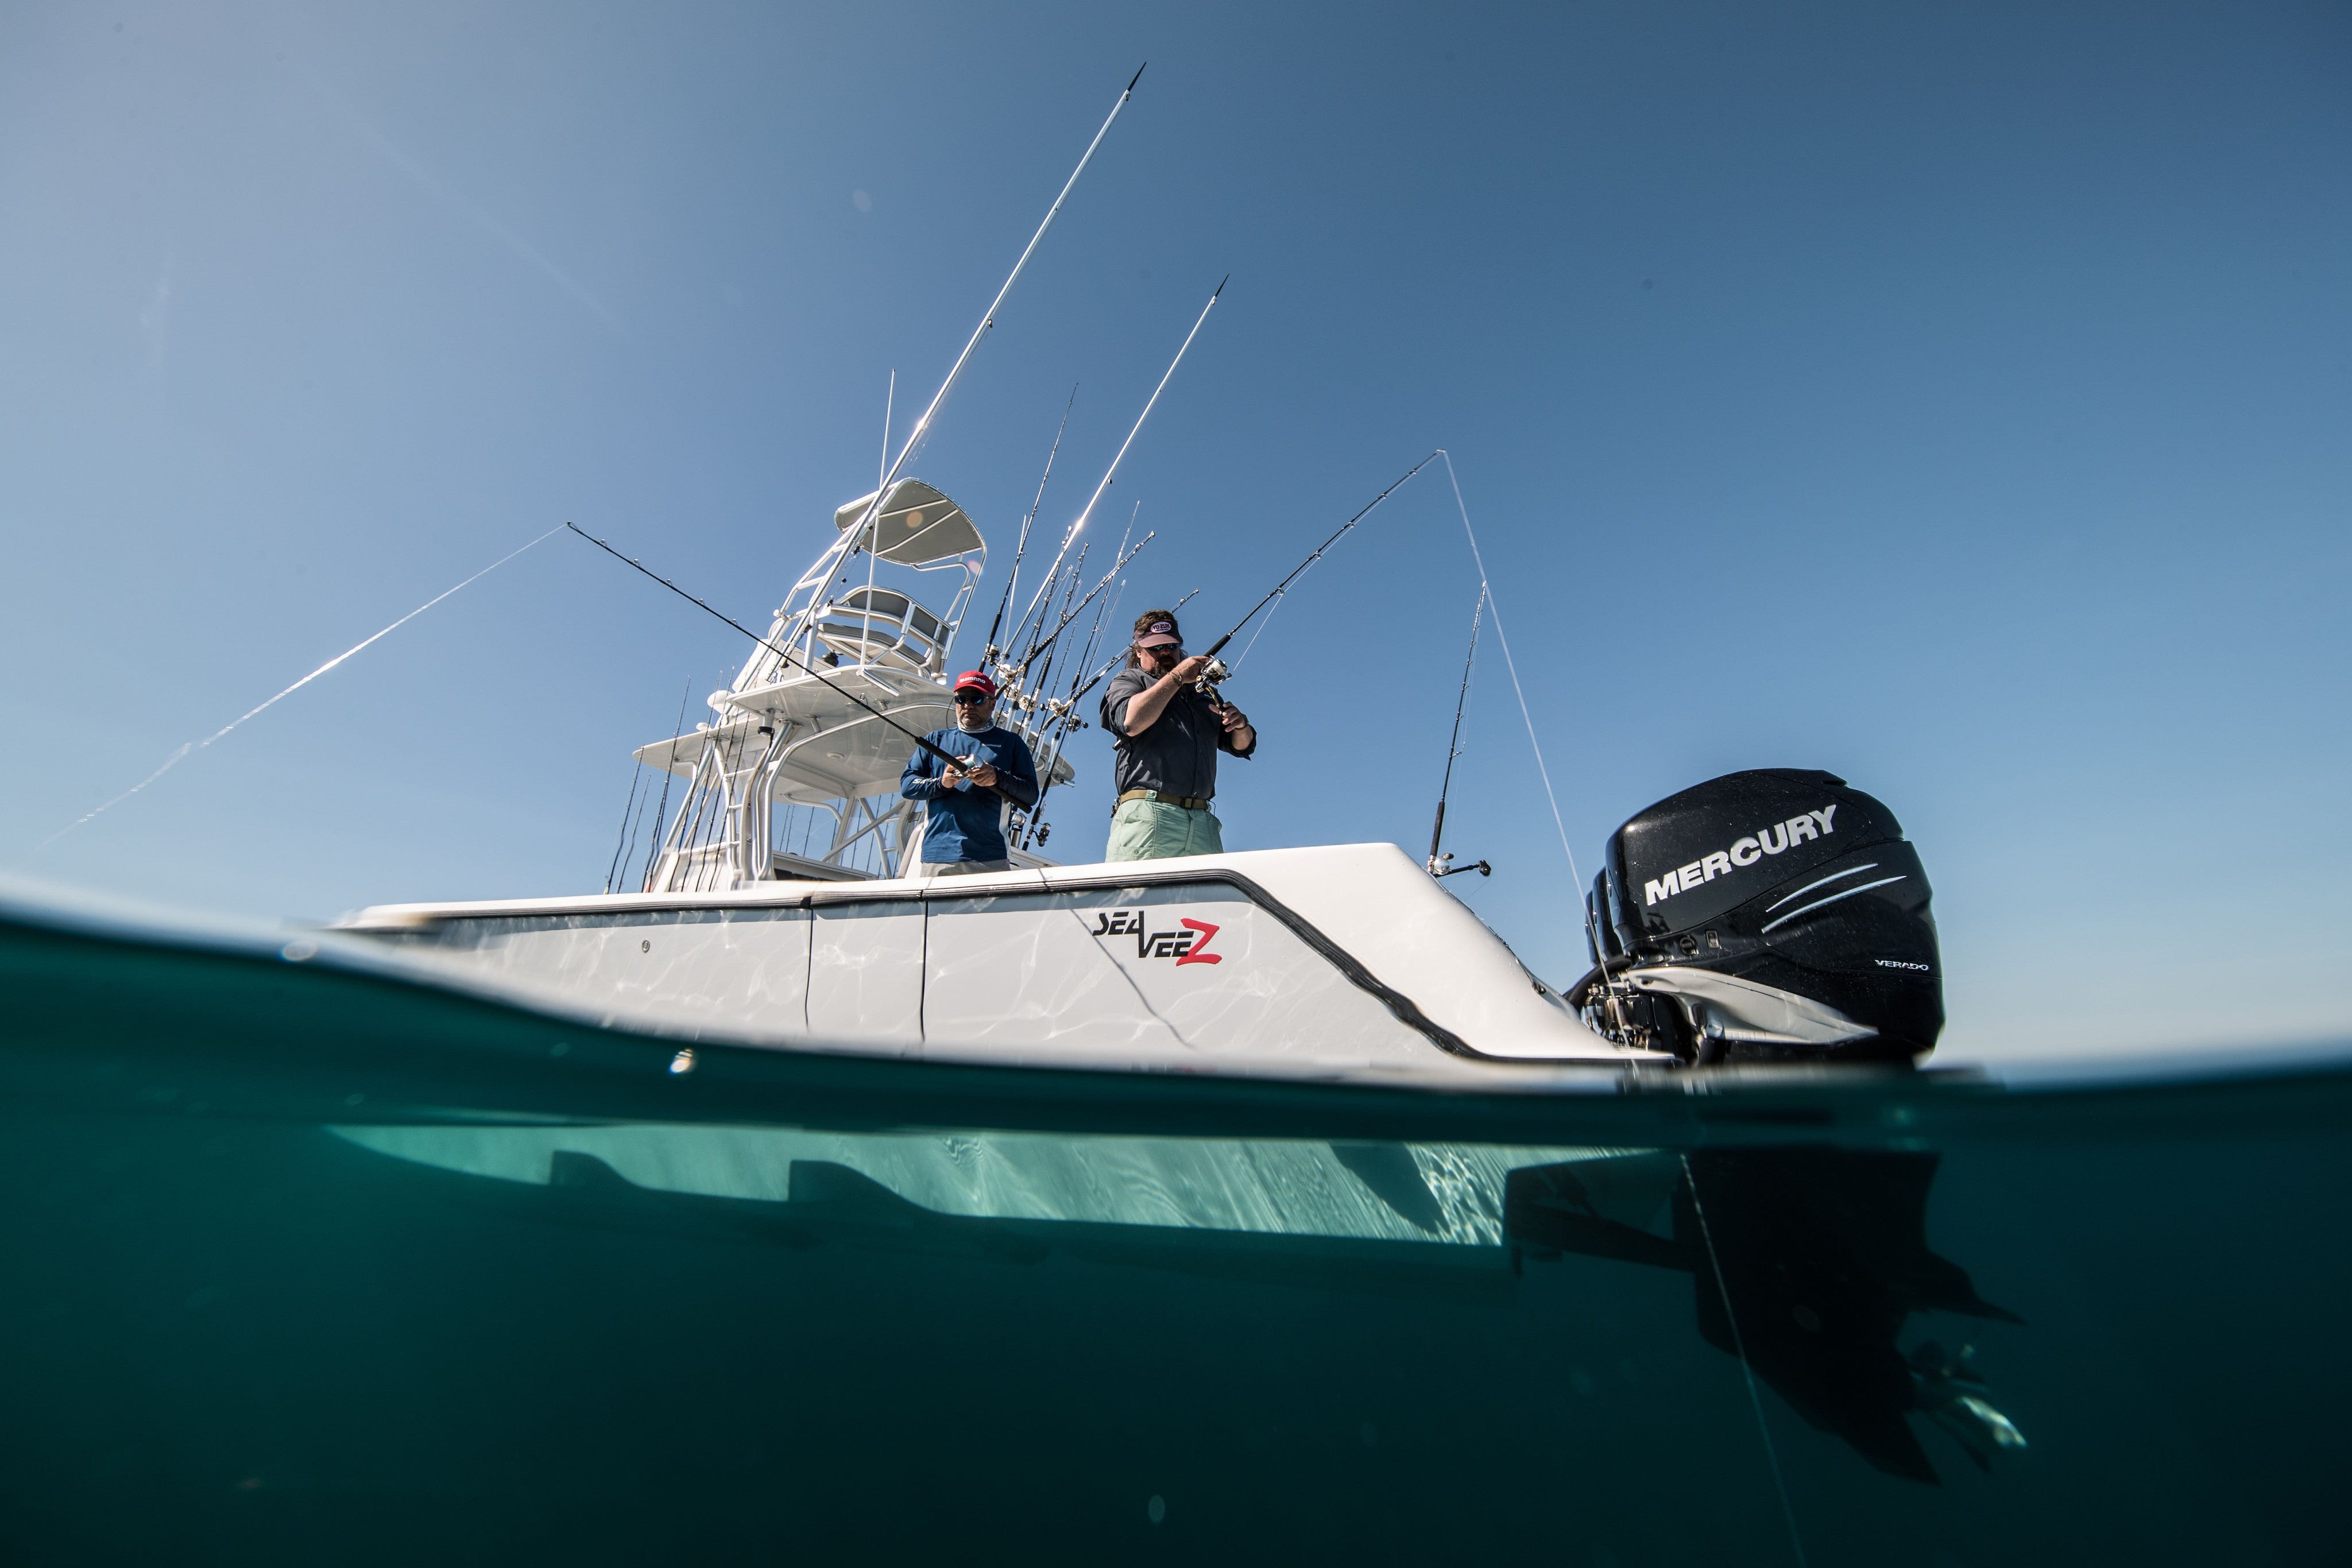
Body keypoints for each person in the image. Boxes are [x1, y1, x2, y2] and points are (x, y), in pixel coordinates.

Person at [1098, 610, 1256, 861]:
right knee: (1137, 898)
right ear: (1138, 650)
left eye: (1171, 645)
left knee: (1208, 900)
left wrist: (1240, 725)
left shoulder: (1202, 693)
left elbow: (1242, 746)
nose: (1165, 652)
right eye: (1156, 646)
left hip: (1202, 820)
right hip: (1149, 814)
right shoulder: (1130, 680)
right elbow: (1131, 722)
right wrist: (1178, 676)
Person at [899, 671, 1039, 877]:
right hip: (938, 856)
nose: (968, 705)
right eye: (961, 699)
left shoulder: (1012, 743)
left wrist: (996, 777)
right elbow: (908, 786)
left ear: (992, 703)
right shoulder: (935, 740)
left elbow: (1031, 794)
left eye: (977, 699)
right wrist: (942, 783)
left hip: (989, 857)